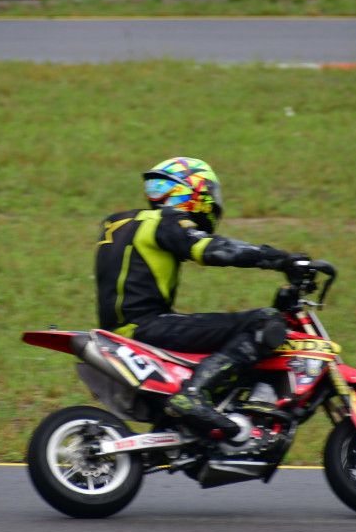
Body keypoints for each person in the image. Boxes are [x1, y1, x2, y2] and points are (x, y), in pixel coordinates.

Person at [94, 157, 305, 441]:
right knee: (264, 321)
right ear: (196, 193)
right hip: (148, 326)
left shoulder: (118, 223)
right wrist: (282, 259)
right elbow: (213, 249)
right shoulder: (165, 222)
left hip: (121, 328)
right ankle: (194, 393)